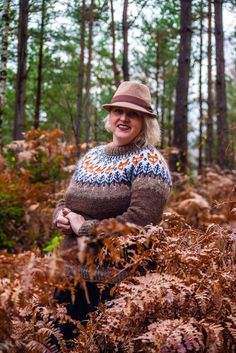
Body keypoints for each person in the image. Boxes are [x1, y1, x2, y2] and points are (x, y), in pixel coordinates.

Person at [53, 81, 172, 343]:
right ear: (110, 116)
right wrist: (61, 217)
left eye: (133, 114)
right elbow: (67, 200)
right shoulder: (92, 157)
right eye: (118, 111)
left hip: (115, 286)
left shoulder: (149, 162)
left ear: (145, 122)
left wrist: (84, 228)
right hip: (68, 281)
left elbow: (141, 220)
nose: (123, 118)